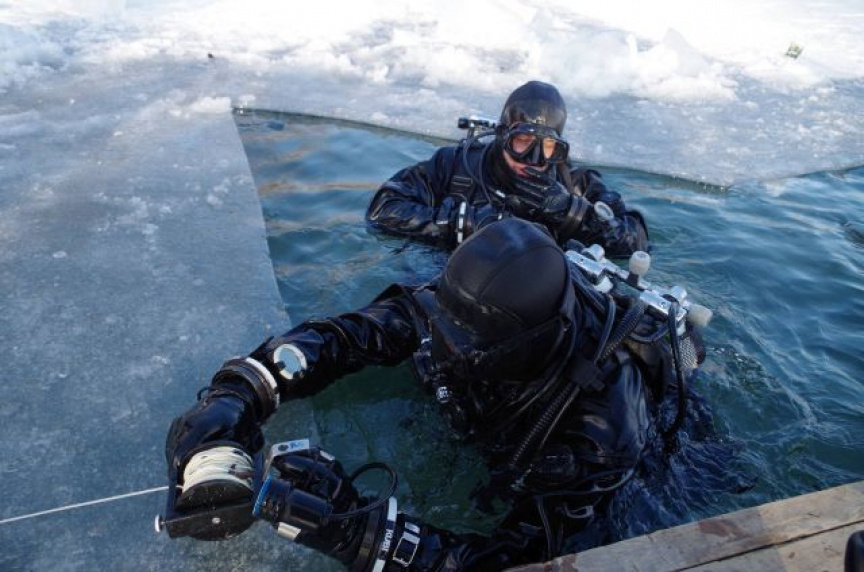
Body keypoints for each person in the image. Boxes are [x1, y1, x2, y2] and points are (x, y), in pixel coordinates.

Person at [165, 219, 703, 570]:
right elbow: (340, 338)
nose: (442, 350)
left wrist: (357, 531)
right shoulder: (459, 308)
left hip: (645, 470)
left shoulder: (602, 425)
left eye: (465, 344)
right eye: (442, 324)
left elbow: (533, 558)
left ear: (523, 347)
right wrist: (237, 397)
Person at [365, 81, 649, 257]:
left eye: (547, 146)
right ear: (502, 136)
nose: (533, 159)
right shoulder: (456, 165)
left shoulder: (576, 184)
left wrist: (574, 214)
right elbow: (383, 209)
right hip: (449, 279)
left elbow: (636, 243)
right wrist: (464, 224)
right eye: (522, 141)